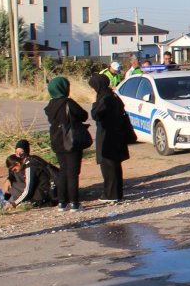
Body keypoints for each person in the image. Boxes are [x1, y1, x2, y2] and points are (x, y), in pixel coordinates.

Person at [89, 73, 134, 203]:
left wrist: (93, 102)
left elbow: (96, 115)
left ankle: (111, 194)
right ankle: (116, 193)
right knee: (114, 165)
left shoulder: (105, 99)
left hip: (108, 136)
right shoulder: (112, 95)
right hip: (116, 134)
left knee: (108, 165)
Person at [45, 77, 88, 212]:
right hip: (71, 140)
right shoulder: (68, 103)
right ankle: (74, 203)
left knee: (63, 170)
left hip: (57, 140)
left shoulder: (50, 105)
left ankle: (62, 202)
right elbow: (83, 115)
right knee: (73, 172)